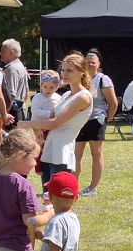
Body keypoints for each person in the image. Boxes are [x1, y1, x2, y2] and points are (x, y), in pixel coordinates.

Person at [22, 53, 93, 189]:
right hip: (49, 147)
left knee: (58, 197)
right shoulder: (66, 94)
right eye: (63, 70)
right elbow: (49, 120)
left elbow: (55, 123)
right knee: (47, 198)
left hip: (62, 152)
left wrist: (27, 124)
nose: (64, 74)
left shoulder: (83, 97)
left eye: (69, 70)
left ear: (81, 72)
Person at [72, 49, 117, 196]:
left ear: (99, 64)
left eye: (93, 62)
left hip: (96, 121)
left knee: (96, 154)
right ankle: (72, 186)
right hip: (80, 121)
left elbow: (113, 103)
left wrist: (106, 119)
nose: (90, 64)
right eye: (88, 61)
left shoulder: (103, 79)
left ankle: (93, 187)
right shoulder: (80, 78)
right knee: (76, 154)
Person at [30, 70, 62, 176]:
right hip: (39, 125)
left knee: (50, 146)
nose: (48, 90)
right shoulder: (38, 97)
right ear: (41, 85)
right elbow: (35, 111)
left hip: (53, 126)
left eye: (52, 87)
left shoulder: (58, 98)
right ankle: (39, 168)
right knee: (40, 145)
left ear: (56, 87)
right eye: (46, 87)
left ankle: (50, 164)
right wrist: (50, 114)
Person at [0, 38, 30, 118]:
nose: (0, 53)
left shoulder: (11, 68)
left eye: (3, 51)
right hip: (19, 110)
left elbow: (11, 95)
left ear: (11, 52)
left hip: (12, 113)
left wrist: (5, 114)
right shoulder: (20, 66)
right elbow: (26, 94)